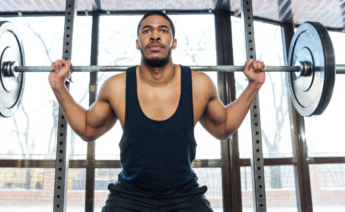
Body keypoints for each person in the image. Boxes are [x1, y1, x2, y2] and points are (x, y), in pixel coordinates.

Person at [50, 11, 265, 212]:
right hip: (129, 196)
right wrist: (58, 86)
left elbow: (224, 127)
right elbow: (88, 128)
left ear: (174, 41)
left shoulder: (198, 84)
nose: (155, 36)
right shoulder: (118, 87)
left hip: (184, 194)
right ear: (138, 43)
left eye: (163, 30)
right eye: (147, 31)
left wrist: (253, 85)